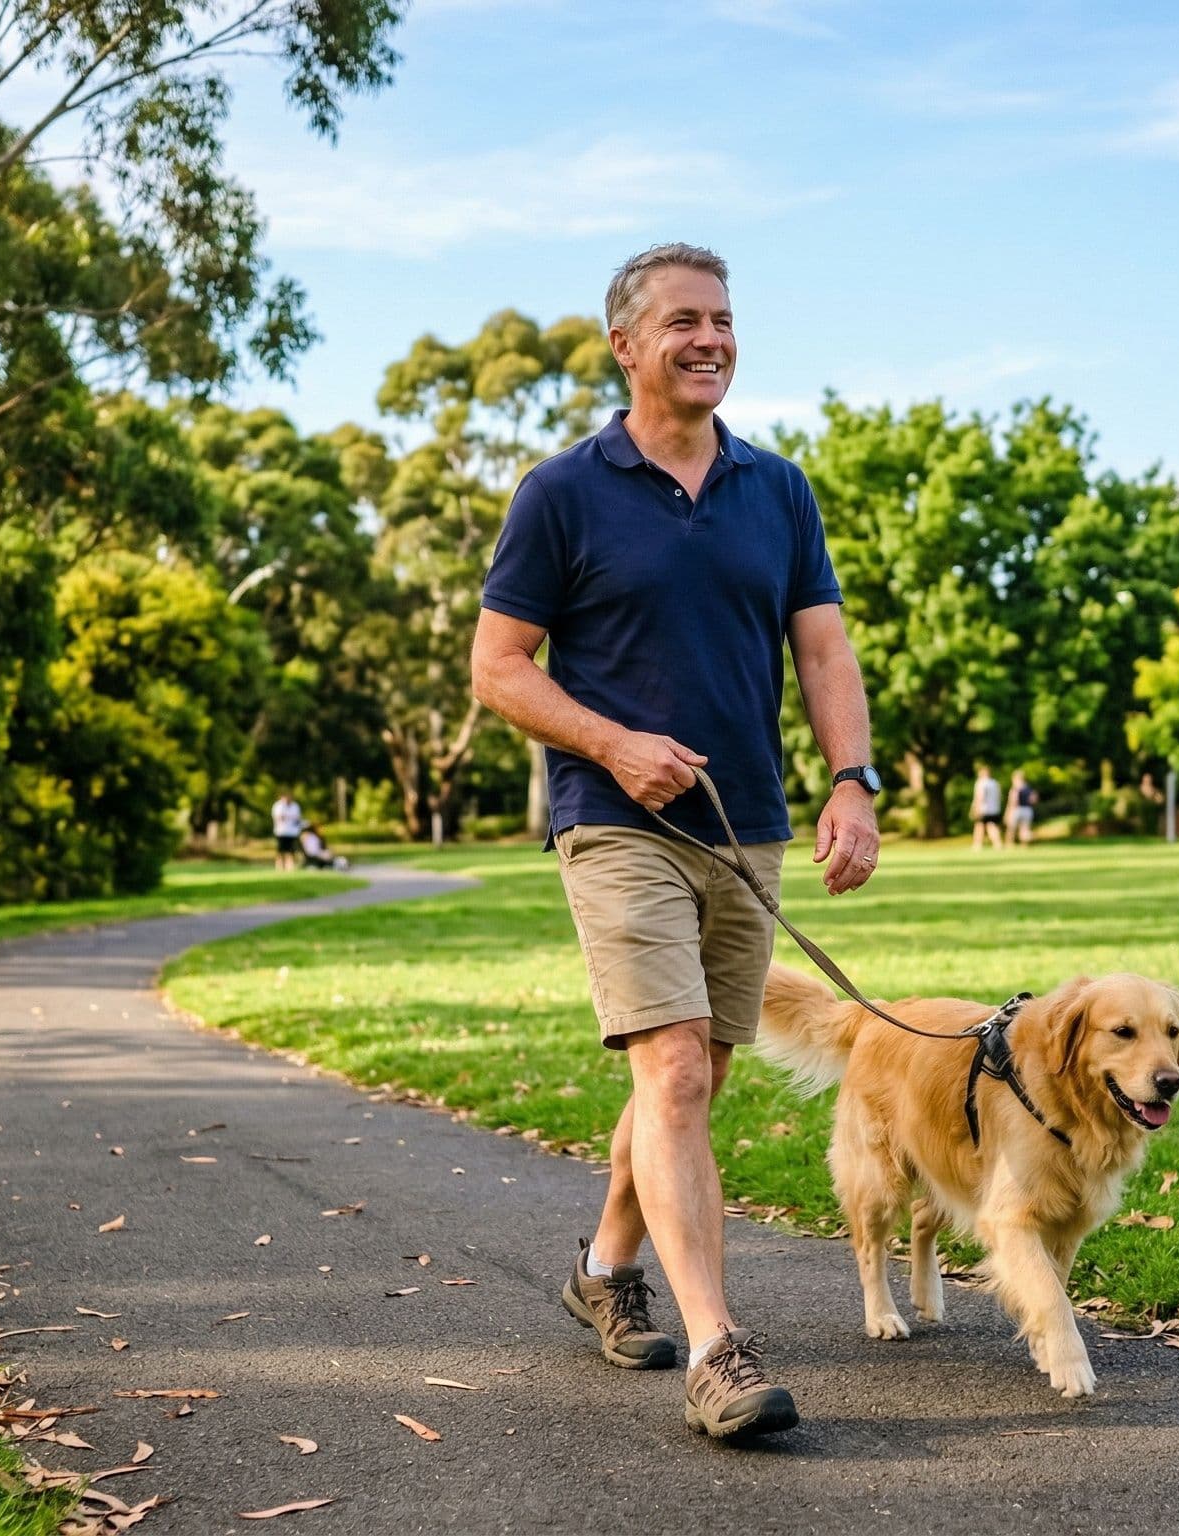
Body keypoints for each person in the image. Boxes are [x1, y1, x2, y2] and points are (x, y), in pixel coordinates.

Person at [470, 242, 881, 1441]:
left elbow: (822, 650)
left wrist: (850, 783)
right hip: (615, 820)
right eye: (684, 322)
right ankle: (718, 1351)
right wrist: (609, 744)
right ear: (626, 346)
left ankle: (603, 1268)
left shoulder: (778, 489)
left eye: (723, 320)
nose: (710, 339)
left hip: (744, 821)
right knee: (677, 1070)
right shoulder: (562, 492)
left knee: (694, 1067)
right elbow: (498, 669)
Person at [270, 790, 304, 872]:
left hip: (292, 832)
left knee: (291, 850)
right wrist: (290, 818)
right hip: (281, 831)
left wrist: (288, 818)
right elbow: (279, 817)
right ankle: (279, 865)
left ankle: (290, 866)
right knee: (280, 850)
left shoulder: (295, 806)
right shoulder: (278, 805)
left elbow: (297, 818)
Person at [971, 764, 1004, 850]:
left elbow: (980, 796)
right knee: (992, 825)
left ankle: (977, 845)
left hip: (983, 808)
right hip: (994, 809)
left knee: (979, 826)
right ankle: (998, 843)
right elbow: (999, 796)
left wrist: (976, 808)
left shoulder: (981, 783)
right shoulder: (995, 783)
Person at [1009, 768, 1039, 846]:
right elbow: (1034, 800)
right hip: (1028, 809)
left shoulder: (1015, 788)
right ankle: (1024, 844)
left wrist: (1010, 811)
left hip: (1017, 809)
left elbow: (1014, 800)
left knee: (1012, 828)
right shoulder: (1029, 788)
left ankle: (1009, 844)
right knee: (1024, 829)